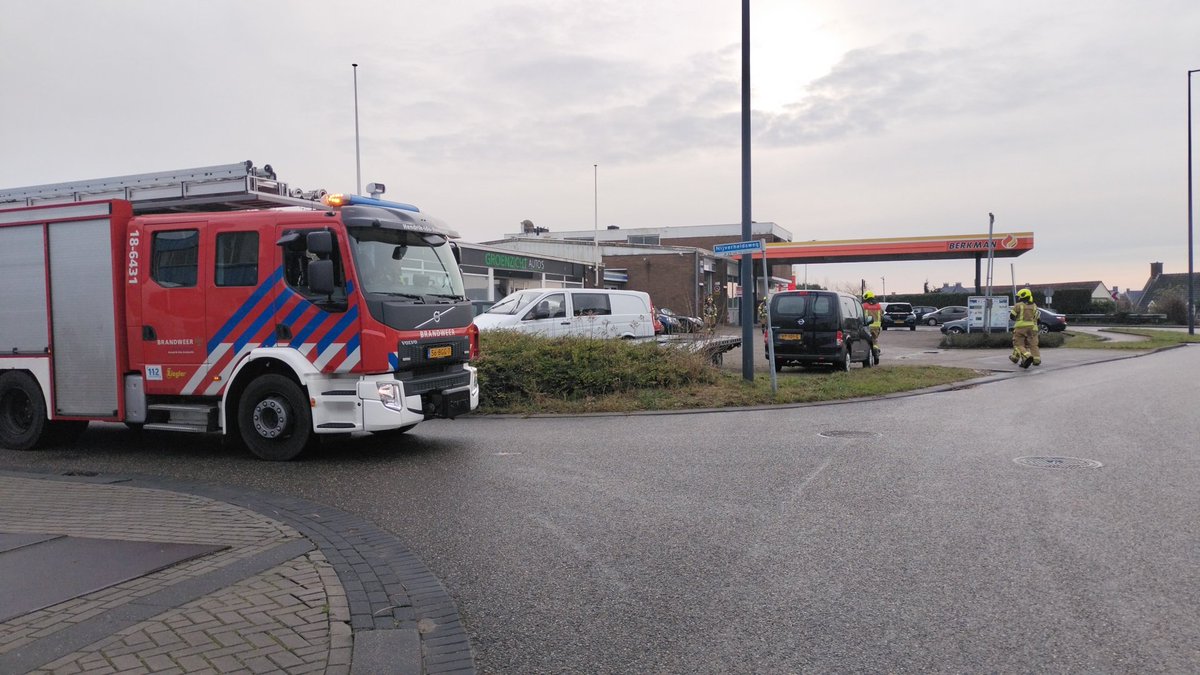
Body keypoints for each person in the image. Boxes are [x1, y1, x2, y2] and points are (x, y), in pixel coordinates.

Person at [1009, 288, 1040, 368]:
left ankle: (1027, 356)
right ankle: (1036, 360)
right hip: (1032, 328)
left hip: (1020, 328)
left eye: (1019, 296)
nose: (1018, 298)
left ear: (1022, 296)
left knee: (1018, 344)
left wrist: (1017, 319)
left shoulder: (1018, 305)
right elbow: (1038, 318)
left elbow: (1012, 316)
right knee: (1033, 344)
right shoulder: (1034, 305)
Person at [861, 291, 883, 359]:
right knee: (874, 340)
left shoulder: (864, 305)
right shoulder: (879, 306)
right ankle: (876, 352)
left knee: (867, 341)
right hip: (876, 327)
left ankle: (868, 354)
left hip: (867, 326)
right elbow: (882, 316)